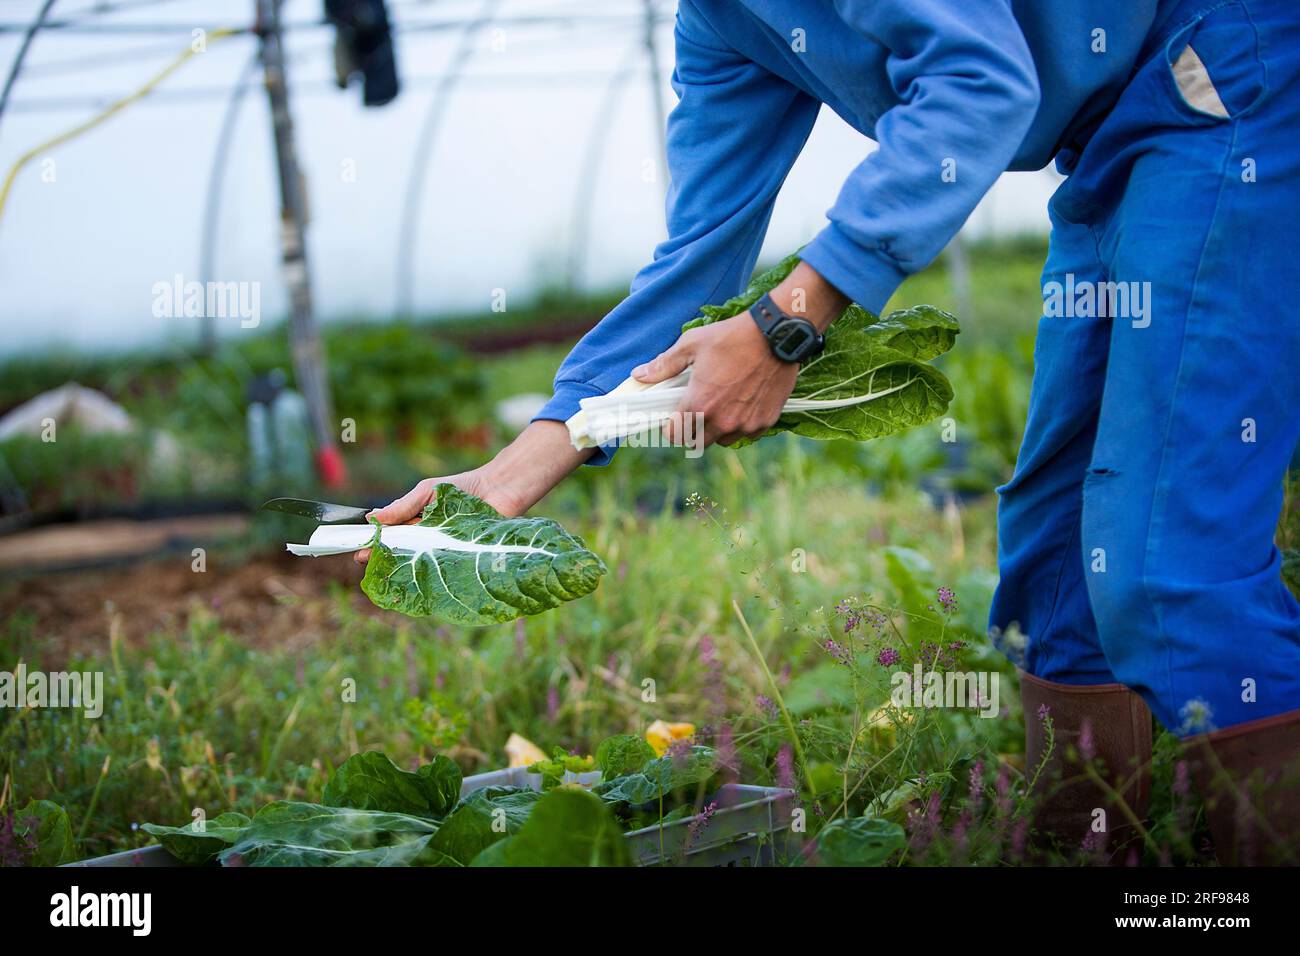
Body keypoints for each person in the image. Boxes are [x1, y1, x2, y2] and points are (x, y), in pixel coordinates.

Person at [364, 0, 1300, 863]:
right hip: (1114, 142)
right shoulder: (720, 23)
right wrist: (527, 461)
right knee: (1056, 562)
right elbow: (697, 259)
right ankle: (1083, 851)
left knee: (1164, 567)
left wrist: (788, 323)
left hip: (1222, 75)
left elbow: (984, 77)